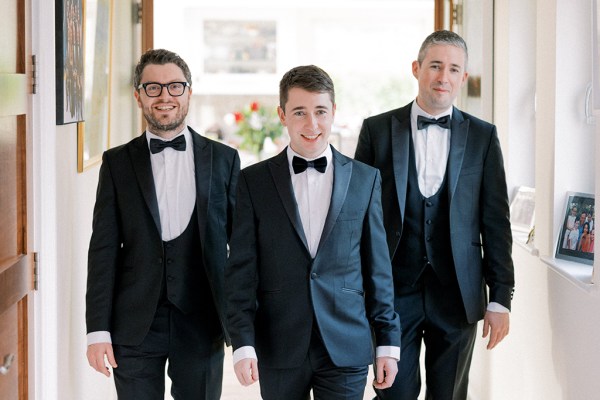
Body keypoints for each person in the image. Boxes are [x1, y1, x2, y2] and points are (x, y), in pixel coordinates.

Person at [354, 30, 515, 399]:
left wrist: (500, 297)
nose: (444, 77)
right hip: (392, 295)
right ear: (417, 68)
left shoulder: (483, 136)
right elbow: (357, 218)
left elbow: (496, 221)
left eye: (454, 69)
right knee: (392, 392)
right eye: (436, 66)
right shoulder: (376, 130)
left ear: (463, 77)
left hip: (458, 294)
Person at [225, 65, 401, 400]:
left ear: (333, 111)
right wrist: (243, 343)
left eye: (320, 111)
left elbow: (378, 270)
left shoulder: (365, 180)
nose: (312, 124)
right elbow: (242, 272)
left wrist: (388, 342)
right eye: (300, 112)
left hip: (346, 343)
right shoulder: (253, 182)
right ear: (282, 115)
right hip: (278, 343)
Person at [85, 49, 240, 400]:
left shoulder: (224, 159)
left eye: (174, 86)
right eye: (153, 88)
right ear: (138, 95)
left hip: (201, 321)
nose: (165, 96)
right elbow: (103, 251)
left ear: (188, 92)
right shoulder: (117, 163)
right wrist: (97, 330)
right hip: (134, 323)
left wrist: (246, 324)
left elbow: (242, 246)